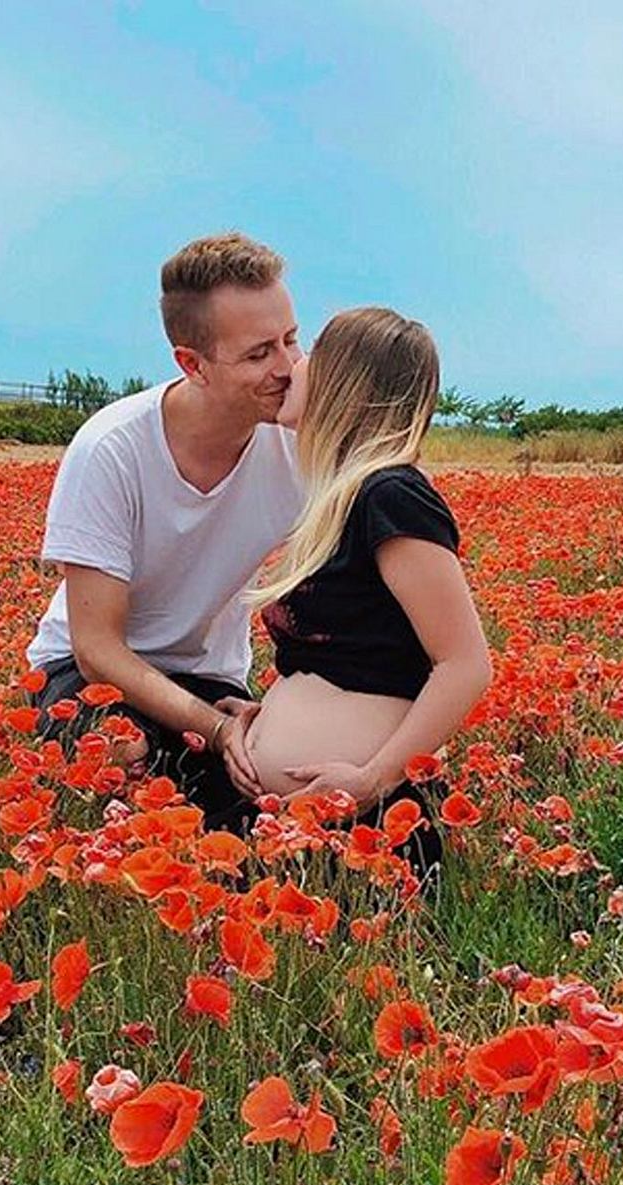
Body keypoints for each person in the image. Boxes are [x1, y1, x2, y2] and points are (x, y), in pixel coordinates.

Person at [27, 232, 303, 829]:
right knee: (122, 757)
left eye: (291, 339)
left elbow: (390, 509)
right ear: (191, 364)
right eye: (259, 354)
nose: (288, 369)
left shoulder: (298, 443)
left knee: (263, 812)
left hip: (212, 680)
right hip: (90, 675)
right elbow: (98, 650)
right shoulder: (112, 448)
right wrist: (219, 729)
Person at [242, 307, 494, 873]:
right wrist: (265, 716)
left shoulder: (391, 494)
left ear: (342, 382)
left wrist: (369, 781)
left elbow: (466, 663)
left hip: (367, 832)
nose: (292, 367)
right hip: (316, 825)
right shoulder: (341, 497)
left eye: (309, 353)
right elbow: (354, 658)